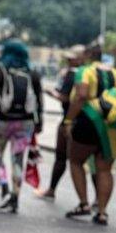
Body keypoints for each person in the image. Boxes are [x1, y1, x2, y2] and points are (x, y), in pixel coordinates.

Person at [61, 45, 116, 226]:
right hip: (113, 127)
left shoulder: (85, 72)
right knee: (105, 170)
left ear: (87, 56)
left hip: (88, 122)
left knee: (76, 161)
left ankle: (84, 203)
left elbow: (81, 95)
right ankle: (102, 212)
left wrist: (68, 121)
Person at [0, 40, 44, 213]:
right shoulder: (33, 72)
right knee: (18, 159)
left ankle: (4, 185)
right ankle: (15, 197)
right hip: (25, 123)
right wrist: (39, 122)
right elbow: (39, 100)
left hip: (2, 121)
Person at [36, 45, 85, 199]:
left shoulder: (72, 75)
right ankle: (97, 201)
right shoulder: (88, 74)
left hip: (70, 118)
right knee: (93, 163)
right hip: (89, 120)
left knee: (62, 156)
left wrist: (50, 92)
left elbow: (64, 97)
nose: (69, 61)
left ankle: (52, 189)